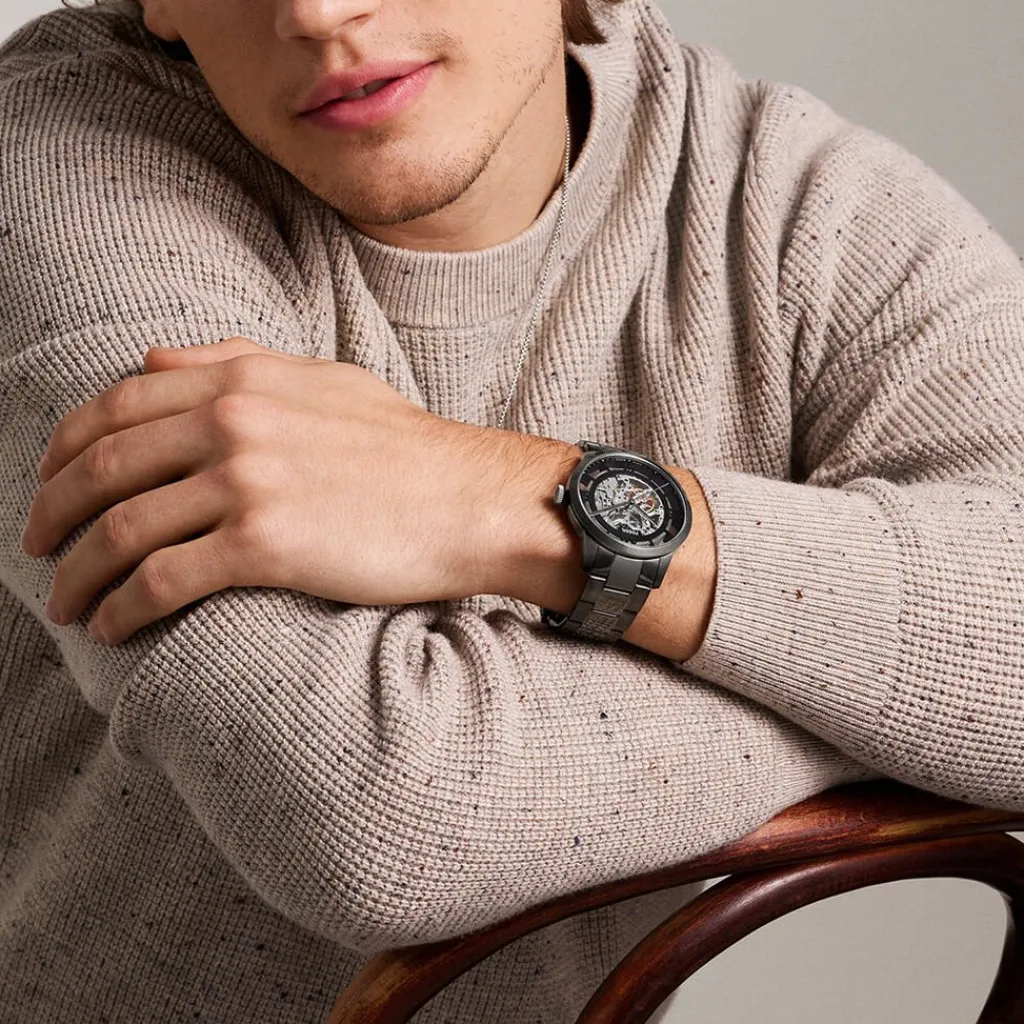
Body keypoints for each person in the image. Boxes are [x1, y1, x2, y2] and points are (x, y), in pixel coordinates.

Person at [1, 0, 1022, 1019]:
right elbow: (380, 817)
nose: (316, 14)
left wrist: (500, 494)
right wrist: (891, 696)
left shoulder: (793, 202)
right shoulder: (64, 166)